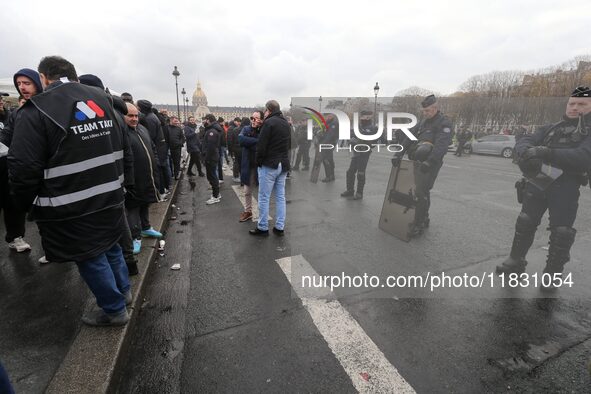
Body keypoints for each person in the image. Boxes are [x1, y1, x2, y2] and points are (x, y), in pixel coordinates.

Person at [8, 56, 131, 326]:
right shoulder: (103, 99)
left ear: (43, 78)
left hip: (69, 200)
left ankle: (113, 309)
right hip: (111, 192)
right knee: (110, 245)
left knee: (89, 254)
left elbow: (23, 167)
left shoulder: (36, 109)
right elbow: (124, 144)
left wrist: (25, 202)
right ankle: (124, 293)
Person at [496, 86, 591, 290]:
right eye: (571, 103)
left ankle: (552, 274)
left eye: (581, 104)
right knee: (525, 221)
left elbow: (584, 158)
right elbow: (526, 141)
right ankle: (516, 260)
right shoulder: (551, 127)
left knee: (562, 232)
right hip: (540, 179)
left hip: (566, 185)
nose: (574, 108)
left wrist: (547, 153)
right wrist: (526, 152)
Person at [392, 94, 453, 238]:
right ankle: (424, 217)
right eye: (424, 111)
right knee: (423, 191)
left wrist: (430, 161)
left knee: (420, 193)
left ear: (435, 108)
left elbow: (441, 145)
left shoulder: (444, 123)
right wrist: (398, 154)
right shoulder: (422, 123)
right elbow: (409, 138)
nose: (425, 114)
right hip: (418, 160)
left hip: (431, 163)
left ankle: (418, 224)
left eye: (428, 111)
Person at [0, 69, 45, 253]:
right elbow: (7, 136)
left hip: (17, 167)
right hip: (10, 165)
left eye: (26, 83)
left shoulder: (39, 109)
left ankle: (16, 237)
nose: (21, 87)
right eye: (19, 84)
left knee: (15, 204)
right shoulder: (17, 114)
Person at [122, 103, 162, 254]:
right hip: (132, 179)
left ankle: (146, 227)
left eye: (136, 115)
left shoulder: (142, 129)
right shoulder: (121, 132)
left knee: (145, 202)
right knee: (133, 208)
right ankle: (135, 236)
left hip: (147, 175)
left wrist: (155, 162)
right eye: (130, 116)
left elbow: (152, 148)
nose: (134, 119)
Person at [249, 100, 290, 236]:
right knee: (280, 197)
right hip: (283, 164)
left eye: (265, 111)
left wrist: (259, 162)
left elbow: (261, 145)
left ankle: (263, 227)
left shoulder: (269, 123)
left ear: (269, 110)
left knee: (264, 197)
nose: (264, 113)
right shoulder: (285, 123)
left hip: (269, 164)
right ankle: (279, 227)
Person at [340, 110, 375, 200]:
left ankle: (359, 193)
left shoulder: (372, 128)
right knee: (350, 172)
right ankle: (350, 190)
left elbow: (372, 139)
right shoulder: (358, 127)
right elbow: (351, 134)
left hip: (364, 152)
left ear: (369, 117)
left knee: (360, 173)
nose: (363, 118)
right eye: (362, 116)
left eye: (365, 117)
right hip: (356, 152)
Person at [238, 111, 263, 222]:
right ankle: (248, 211)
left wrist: (250, 143)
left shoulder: (263, 129)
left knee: (262, 192)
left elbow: (262, 146)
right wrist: (256, 142)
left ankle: (263, 213)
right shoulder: (246, 129)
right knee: (247, 190)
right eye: (252, 117)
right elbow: (241, 140)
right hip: (248, 164)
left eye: (256, 118)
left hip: (261, 165)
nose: (253, 120)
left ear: (261, 120)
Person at [202, 114, 223, 204]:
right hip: (212, 156)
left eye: (205, 120)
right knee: (212, 176)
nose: (203, 121)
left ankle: (215, 196)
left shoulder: (212, 131)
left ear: (208, 120)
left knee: (212, 176)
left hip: (211, 157)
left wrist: (206, 158)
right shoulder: (212, 129)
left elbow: (211, 146)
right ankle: (216, 194)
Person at [320, 114, 339, 182]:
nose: (327, 117)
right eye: (326, 116)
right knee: (330, 159)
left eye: (329, 116)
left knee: (326, 159)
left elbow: (330, 135)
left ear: (332, 116)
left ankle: (328, 176)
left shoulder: (334, 123)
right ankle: (331, 175)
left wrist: (323, 143)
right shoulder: (328, 123)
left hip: (329, 143)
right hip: (328, 143)